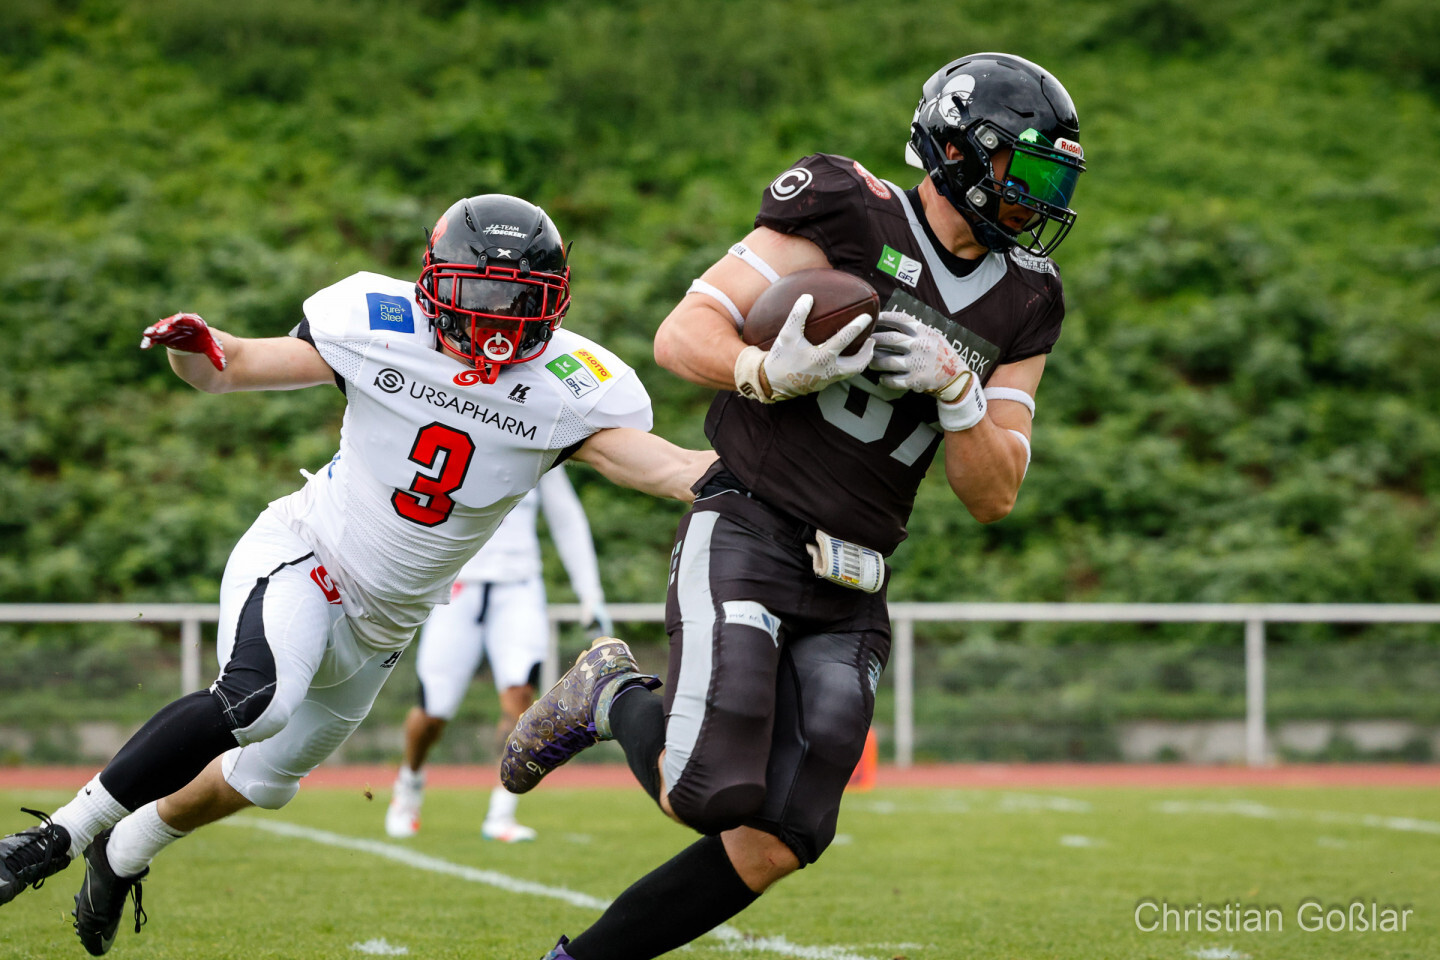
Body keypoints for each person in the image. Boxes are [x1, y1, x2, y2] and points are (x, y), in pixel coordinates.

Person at [0, 194, 713, 956]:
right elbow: (229, 368)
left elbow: (675, 468)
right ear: (433, 285)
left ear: (554, 301)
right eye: (480, 295)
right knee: (258, 701)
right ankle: (55, 838)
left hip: (387, 624)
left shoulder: (574, 386)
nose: (498, 319)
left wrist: (778, 467)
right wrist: (194, 345)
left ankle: (123, 852)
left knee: (263, 779)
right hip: (309, 557)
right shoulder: (377, 323)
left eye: (519, 300)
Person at [500, 52, 1087, 959]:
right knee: (707, 792)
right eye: (1030, 170)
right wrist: (764, 371)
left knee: (780, 838)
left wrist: (961, 397)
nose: (1040, 199)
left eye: (1056, 178)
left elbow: (994, 491)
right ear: (962, 152)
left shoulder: (1028, 297)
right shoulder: (846, 208)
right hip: (752, 524)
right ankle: (609, 690)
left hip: (857, 573)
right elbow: (683, 331)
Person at [385, 463, 611, 842]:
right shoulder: (464, 422)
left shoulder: (540, 436)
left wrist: (591, 592)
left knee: (520, 697)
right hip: (457, 583)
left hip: (519, 584)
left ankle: (501, 810)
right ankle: (409, 783)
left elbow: (565, 515)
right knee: (433, 710)